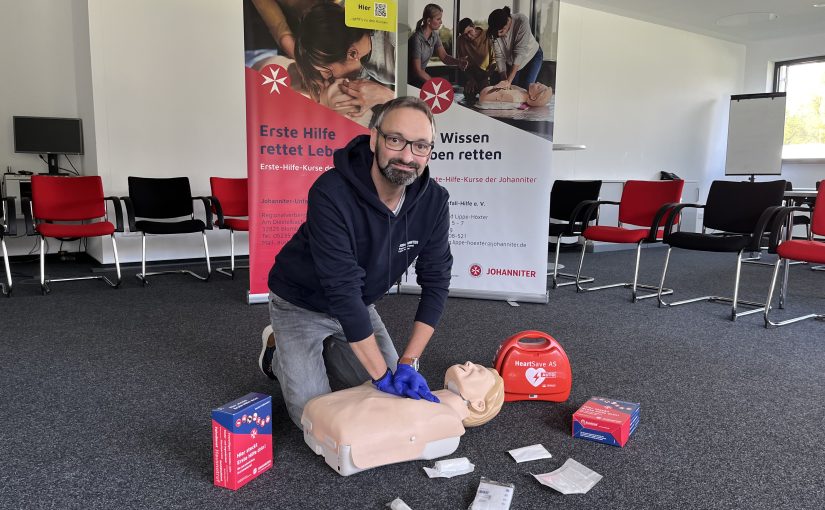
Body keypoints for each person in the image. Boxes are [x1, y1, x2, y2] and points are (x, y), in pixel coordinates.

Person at [260, 96, 453, 428]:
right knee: (315, 417)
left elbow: (436, 282)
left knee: (390, 403)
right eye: (396, 140)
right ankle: (277, 351)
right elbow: (341, 288)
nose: (408, 156)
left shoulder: (434, 202)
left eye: (421, 146)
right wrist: (380, 376)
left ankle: (327, 351)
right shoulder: (331, 193)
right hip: (300, 303)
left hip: (359, 304)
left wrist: (407, 363)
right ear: (375, 138)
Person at [301, 362, 505, 475]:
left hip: (342, 426)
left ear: (479, 404)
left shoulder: (447, 419)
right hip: (336, 414)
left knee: (309, 404)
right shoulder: (431, 401)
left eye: (478, 371)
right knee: (307, 403)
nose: (469, 363)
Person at [294, 2, 395, 119]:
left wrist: (386, 95)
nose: (326, 78)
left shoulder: (399, 45)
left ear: (352, 54)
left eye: (328, 71)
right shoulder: (353, 38)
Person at [408, 4, 467, 88]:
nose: (441, 22)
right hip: (408, 83)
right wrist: (436, 84)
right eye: (438, 19)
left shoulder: (434, 36)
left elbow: (444, 57)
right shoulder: (416, 39)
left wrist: (458, 62)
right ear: (428, 21)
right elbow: (418, 71)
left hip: (419, 80)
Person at [487, 6, 544, 90]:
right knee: (512, 89)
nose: (499, 35)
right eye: (497, 32)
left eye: (501, 31)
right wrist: (504, 80)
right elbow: (499, 57)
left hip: (532, 56)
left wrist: (509, 80)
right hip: (512, 61)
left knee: (526, 89)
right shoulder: (494, 33)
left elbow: (520, 53)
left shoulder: (521, 20)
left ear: (508, 21)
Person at [455, 18, 497, 99]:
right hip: (471, 73)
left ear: (474, 27)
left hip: (488, 73)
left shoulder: (487, 35)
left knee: (485, 97)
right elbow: (463, 64)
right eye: (464, 35)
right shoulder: (460, 40)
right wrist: (471, 79)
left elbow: (495, 60)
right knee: (468, 95)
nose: (468, 36)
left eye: (469, 32)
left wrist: (486, 77)